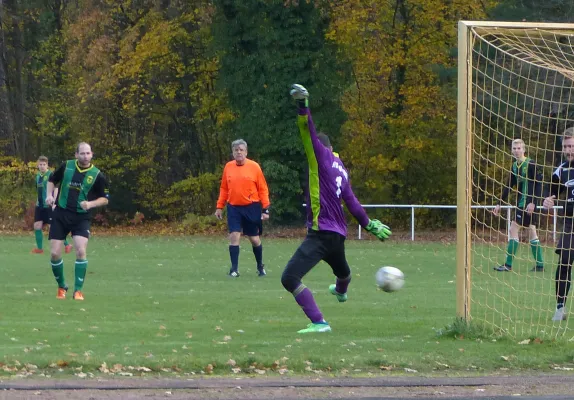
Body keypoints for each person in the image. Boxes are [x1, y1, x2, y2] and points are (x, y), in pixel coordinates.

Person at [283, 84, 391, 334]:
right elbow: (351, 200)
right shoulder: (340, 166)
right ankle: (341, 290)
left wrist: (303, 106)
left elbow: (306, 132)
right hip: (338, 234)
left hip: (321, 233)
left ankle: (319, 322)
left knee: (289, 278)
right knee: (342, 271)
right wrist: (369, 224)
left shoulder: (318, 156)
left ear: (321, 149)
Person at [45, 142, 109, 300]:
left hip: (81, 217)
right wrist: (49, 195)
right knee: (54, 253)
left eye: (88, 153)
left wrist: (90, 204)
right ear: (76, 154)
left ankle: (78, 290)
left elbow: (105, 199)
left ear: (92, 154)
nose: (85, 156)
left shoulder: (97, 174)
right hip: (61, 214)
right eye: (82, 153)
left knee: (80, 250)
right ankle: (61, 286)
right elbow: (52, 180)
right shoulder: (66, 166)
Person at [215, 139, 270, 277]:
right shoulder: (228, 167)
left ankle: (260, 266)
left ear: (246, 152)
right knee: (234, 235)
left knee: (254, 239)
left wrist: (265, 209)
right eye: (236, 150)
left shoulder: (254, 167)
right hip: (234, 207)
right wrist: (219, 206)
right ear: (232, 152)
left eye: (241, 150)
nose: (238, 152)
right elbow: (224, 188)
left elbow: (263, 188)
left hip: (252, 207)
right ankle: (234, 269)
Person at [493, 139, 544, 272]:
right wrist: (499, 203)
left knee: (513, 229)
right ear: (511, 150)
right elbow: (509, 186)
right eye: (514, 148)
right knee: (532, 231)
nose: (516, 150)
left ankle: (508, 265)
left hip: (527, 204)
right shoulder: (515, 166)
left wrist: (533, 202)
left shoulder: (531, 164)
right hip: (523, 203)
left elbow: (539, 184)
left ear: (524, 149)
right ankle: (540, 265)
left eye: (519, 148)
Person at [543, 129, 574, 321]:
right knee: (564, 262)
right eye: (566, 146)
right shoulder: (561, 170)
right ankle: (560, 307)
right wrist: (548, 200)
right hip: (570, 224)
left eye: (572, 146)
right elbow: (551, 192)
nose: (569, 150)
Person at [31, 156, 73, 255]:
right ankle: (39, 249)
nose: (42, 166)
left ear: (47, 165)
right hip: (39, 205)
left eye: (44, 164)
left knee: (53, 227)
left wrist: (54, 201)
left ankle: (67, 245)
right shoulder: (37, 176)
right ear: (38, 165)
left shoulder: (51, 174)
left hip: (49, 205)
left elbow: (56, 188)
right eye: (40, 164)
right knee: (37, 226)